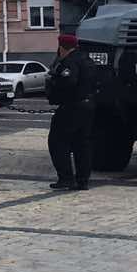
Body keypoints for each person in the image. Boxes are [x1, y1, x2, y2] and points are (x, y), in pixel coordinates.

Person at [46, 33, 97, 191]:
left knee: (57, 142)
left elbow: (68, 82)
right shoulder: (87, 60)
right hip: (88, 105)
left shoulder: (69, 62)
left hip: (72, 106)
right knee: (82, 144)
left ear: (61, 47)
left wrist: (54, 83)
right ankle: (82, 180)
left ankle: (66, 178)